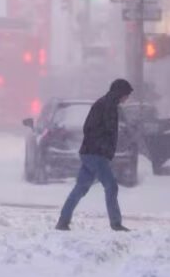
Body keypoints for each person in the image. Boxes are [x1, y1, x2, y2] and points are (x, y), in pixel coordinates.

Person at [55, 78, 133, 232]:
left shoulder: (107, 105)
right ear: (120, 93)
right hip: (96, 154)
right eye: (126, 94)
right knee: (111, 186)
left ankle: (63, 221)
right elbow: (90, 128)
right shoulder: (106, 106)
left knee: (81, 188)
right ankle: (116, 223)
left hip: (91, 153)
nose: (127, 98)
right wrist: (102, 147)